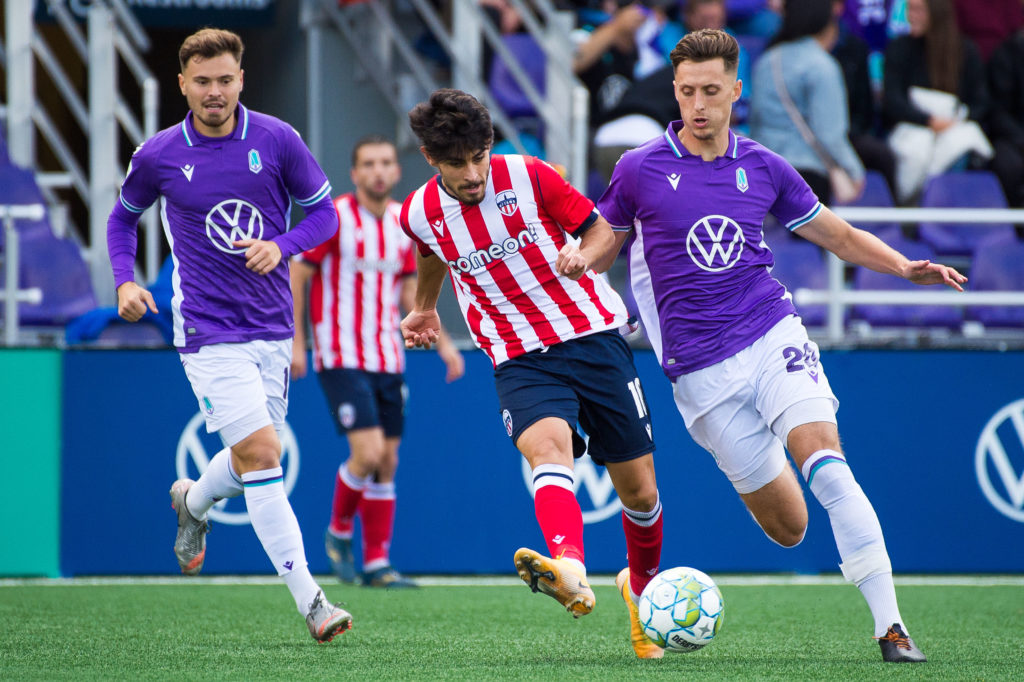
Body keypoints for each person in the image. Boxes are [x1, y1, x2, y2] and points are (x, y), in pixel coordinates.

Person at [598, 28, 968, 662]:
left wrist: (904, 266)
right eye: (687, 92)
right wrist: (579, 260)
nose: (698, 105)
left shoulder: (763, 165)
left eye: (711, 91)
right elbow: (605, 238)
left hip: (769, 331)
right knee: (790, 529)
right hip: (699, 374)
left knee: (825, 462)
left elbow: (840, 235)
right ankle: (774, 436)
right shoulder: (639, 169)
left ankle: (892, 628)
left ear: (736, 91)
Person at [399, 88, 665, 659]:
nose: (473, 174)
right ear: (429, 158)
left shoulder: (531, 176)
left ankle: (640, 595)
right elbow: (429, 250)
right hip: (516, 353)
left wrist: (584, 257)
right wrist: (425, 306)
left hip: (592, 335)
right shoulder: (418, 212)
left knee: (640, 491)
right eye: (457, 164)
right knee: (548, 451)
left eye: (479, 156)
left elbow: (600, 232)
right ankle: (569, 566)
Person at [106, 28, 351, 643]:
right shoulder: (159, 154)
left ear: (241, 79)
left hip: (271, 325)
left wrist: (282, 244)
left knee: (248, 462)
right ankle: (314, 603)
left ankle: (192, 502)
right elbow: (121, 217)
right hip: (207, 329)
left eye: (225, 80)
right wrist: (123, 283)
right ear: (183, 84)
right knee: (265, 457)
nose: (214, 92)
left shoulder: (276, 139)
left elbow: (325, 213)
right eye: (202, 82)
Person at [290, 135, 465, 589]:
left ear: (396, 170)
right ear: (354, 173)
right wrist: (296, 343)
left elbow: (413, 293)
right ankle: (339, 531)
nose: (379, 171)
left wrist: (444, 344)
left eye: (386, 162)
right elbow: (299, 274)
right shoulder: (334, 219)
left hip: (389, 355)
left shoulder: (403, 224)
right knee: (365, 454)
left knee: (387, 460)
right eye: (368, 163)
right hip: (341, 354)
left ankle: (377, 565)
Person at [749, 0, 865, 205]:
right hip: (807, 178)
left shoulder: (767, 60)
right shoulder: (822, 65)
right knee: (809, 238)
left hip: (764, 174)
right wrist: (855, 172)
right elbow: (830, 134)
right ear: (825, 25)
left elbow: (756, 122)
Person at [882, 0, 992, 203]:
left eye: (918, 10)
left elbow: (981, 102)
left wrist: (955, 119)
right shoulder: (899, 47)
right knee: (916, 148)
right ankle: (907, 209)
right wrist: (928, 120)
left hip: (953, 125)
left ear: (937, 12)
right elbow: (892, 101)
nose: (911, 16)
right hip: (912, 127)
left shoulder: (965, 50)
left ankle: (940, 212)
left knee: (961, 142)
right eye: (909, 9)